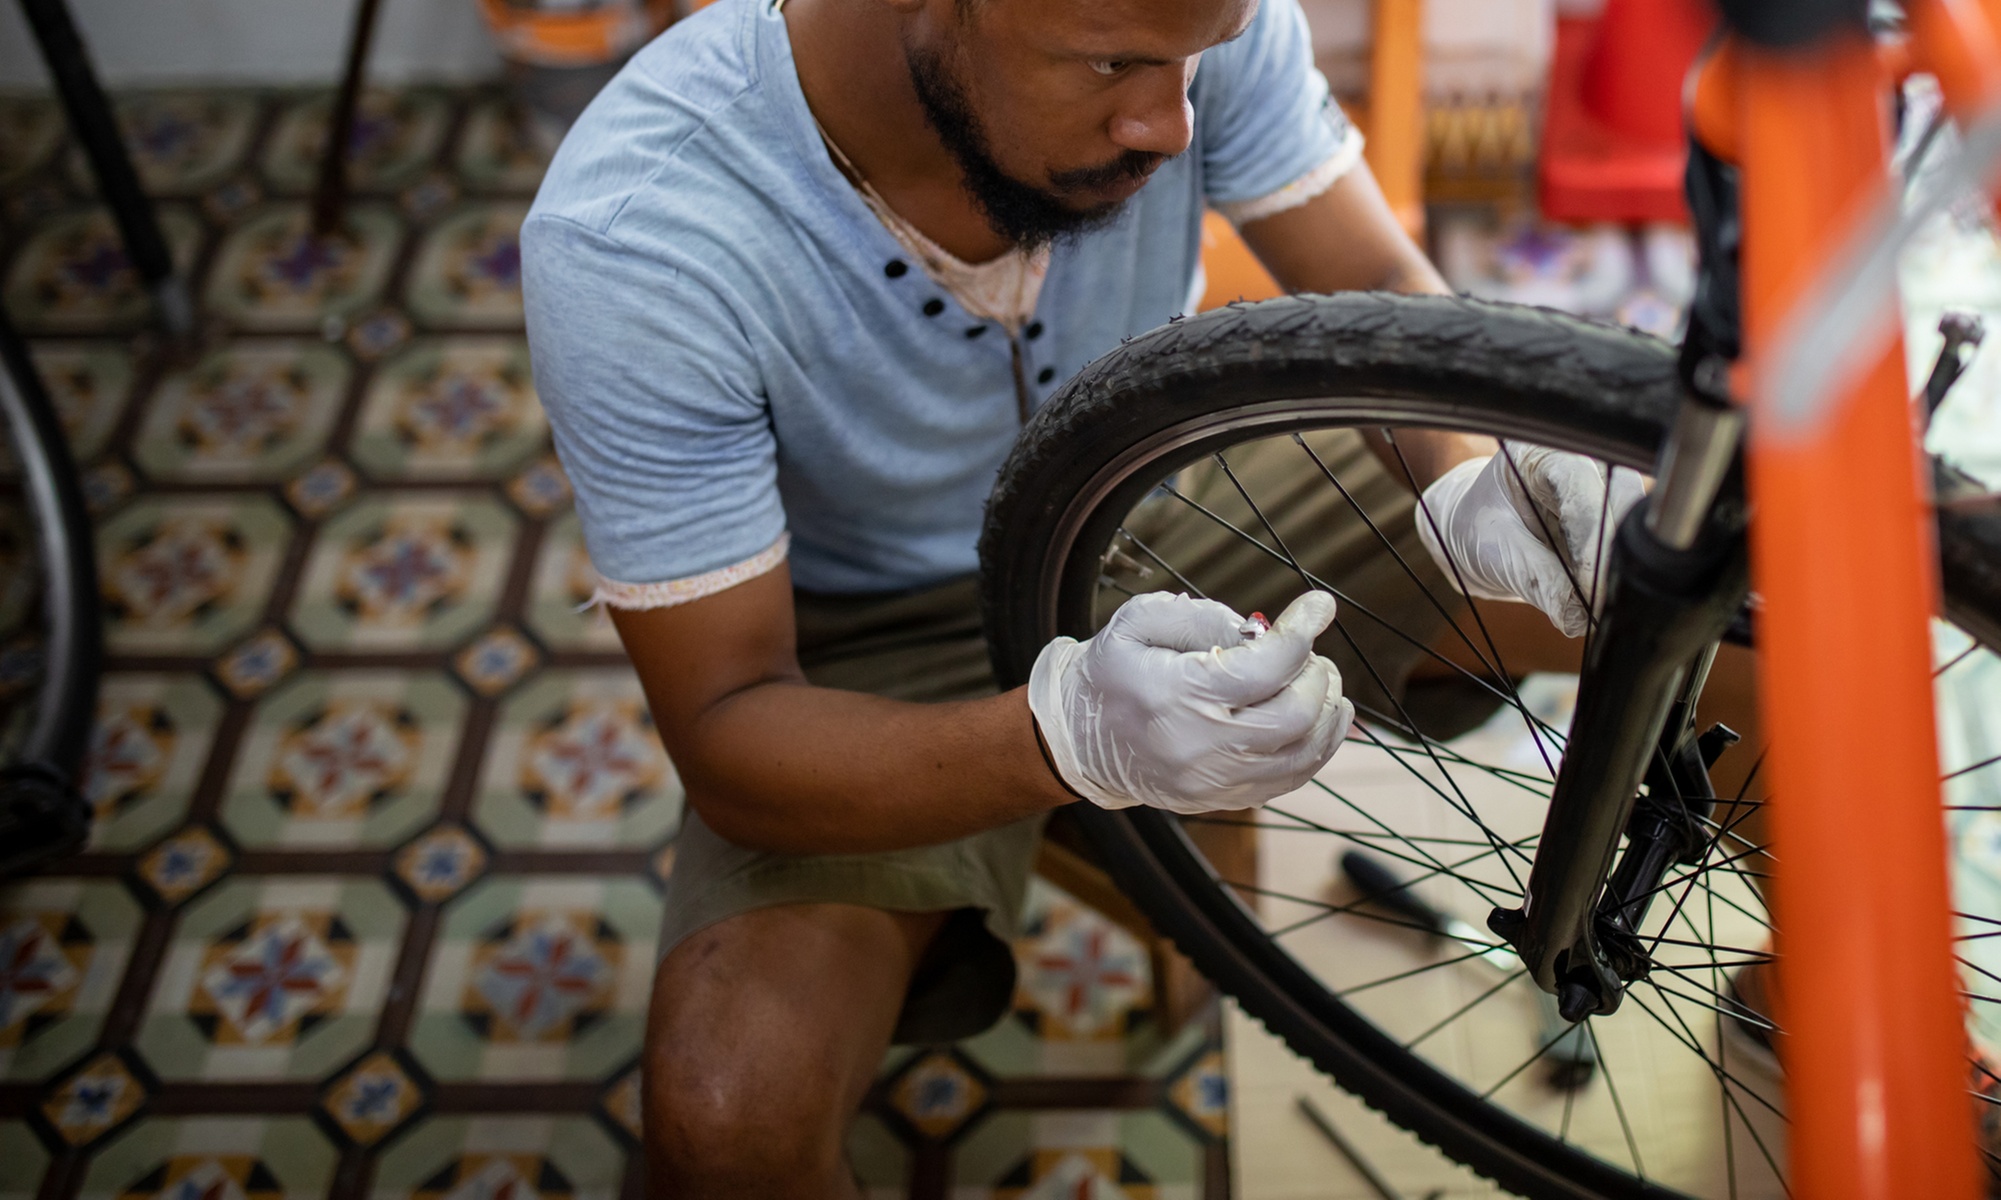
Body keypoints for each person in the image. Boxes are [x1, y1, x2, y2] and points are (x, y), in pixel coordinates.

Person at [520, 0, 1633, 1191]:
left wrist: (1465, 482)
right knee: (730, 1117)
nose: (1168, 126)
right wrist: (1069, 740)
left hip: (1166, 494)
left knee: (1694, 610)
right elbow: (729, 733)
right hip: (879, 629)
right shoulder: (636, 241)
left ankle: (1796, 1006)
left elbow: (1366, 276)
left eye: (1194, 61)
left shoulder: (1186, 17)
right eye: (1110, 64)